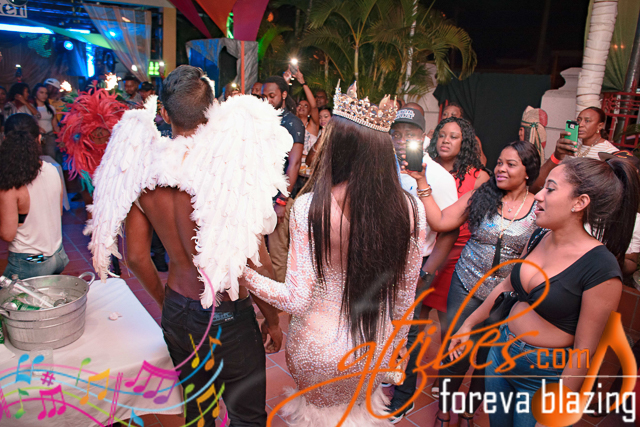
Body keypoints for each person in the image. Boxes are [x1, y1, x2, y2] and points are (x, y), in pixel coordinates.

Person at [100, 65, 285, 426]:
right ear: (213, 111)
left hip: (178, 310)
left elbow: (136, 256)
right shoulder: (227, 172)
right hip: (227, 313)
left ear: (164, 113)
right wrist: (273, 319)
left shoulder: (145, 172)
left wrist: (166, 302)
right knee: (246, 417)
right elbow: (257, 261)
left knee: (198, 411)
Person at [241, 83, 425, 426]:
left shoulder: (311, 208)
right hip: (372, 345)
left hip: (318, 347)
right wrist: (395, 348)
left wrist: (242, 273)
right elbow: (404, 297)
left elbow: (295, 298)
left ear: (338, 147)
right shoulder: (411, 209)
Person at [449, 156, 639, 427]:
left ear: (580, 202)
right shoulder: (540, 235)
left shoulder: (600, 268)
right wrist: (468, 325)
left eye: (550, 188)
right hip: (501, 352)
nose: (538, 195)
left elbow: (584, 351)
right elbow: (505, 286)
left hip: (543, 375)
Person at [405, 140, 540, 427]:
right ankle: (443, 413)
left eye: (510, 164)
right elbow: (441, 222)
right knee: (455, 354)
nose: (501, 169)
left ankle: (468, 412)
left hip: (506, 297)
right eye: (499, 163)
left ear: (528, 171)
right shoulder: (482, 195)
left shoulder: (538, 208)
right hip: (465, 286)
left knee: (487, 358)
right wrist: (421, 183)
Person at [386, 107, 459, 423]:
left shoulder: (438, 177)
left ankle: (403, 398)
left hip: (416, 266)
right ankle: (384, 377)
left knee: (410, 335)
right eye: (397, 133)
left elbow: (449, 230)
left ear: (424, 137)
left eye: (411, 133)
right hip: (382, 262)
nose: (402, 139)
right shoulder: (383, 165)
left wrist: (427, 273)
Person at [422, 117, 489, 380]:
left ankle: (445, 378)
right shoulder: (424, 168)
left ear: (465, 143)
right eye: (442, 135)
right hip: (426, 250)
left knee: (449, 322)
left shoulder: (479, 177)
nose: (446, 141)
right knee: (414, 315)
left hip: (457, 256)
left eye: (454, 136)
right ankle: (401, 371)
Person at [0, 114, 68, 279]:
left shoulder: (11, 183)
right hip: (58, 256)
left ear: (4, 139)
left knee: (6, 296)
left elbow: (8, 234)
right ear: (38, 138)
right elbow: (57, 212)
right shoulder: (53, 170)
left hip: (33, 261)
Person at [262, 75, 304, 282]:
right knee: (259, 253)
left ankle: (278, 300)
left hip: (279, 197)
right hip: (261, 194)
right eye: (264, 97)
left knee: (277, 254)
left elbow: (293, 165)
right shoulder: (263, 120)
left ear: (284, 95)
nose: (267, 100)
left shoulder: (293, 123)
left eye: (272, 96)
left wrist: (281, 201)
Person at [531, 106, 618, 193]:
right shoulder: (571, 143)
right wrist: (557, 156)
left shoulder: (609, 153)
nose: (580, 124)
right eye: (579, 120)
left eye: (587, 121)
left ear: (600, 126)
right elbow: (536, 185)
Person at [598, 150, 640, 277]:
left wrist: (617, 260)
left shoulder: (635, 221)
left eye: (621, 174)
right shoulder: (586, 203)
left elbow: (632, 262)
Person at [32, 83, 61, 163]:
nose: (44, 95)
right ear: (35, 93)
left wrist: (61, 137)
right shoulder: (31, 107)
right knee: (37, 158)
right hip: (36, 137)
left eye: (46, 93)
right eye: (41, 92)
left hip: (49, 136)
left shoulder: (51, 108)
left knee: (51, 158)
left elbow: (55, 125)